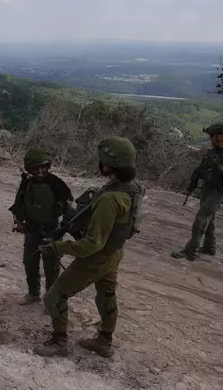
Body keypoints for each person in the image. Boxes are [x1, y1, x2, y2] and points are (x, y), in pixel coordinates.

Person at [33, 137, 145, 358]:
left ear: (108, 163)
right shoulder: (132, 189)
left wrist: (56, 247)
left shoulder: (111, 198)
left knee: (53, 297)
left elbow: (91, 245)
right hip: (114, 253)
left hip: (97, 257)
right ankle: (104, 341)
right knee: (106, 294)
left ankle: (59, 342)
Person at [9, 147, 74, 306]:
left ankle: (51, 299)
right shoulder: (26, 184)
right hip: (31, 231)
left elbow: (69, 210)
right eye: (35, 168)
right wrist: (19, 223)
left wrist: (60, 231)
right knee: (29, 264)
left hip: (52, 231)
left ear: (48, 166)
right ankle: (33, 294)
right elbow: (18, 205)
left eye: (43, 167)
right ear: (29, 169)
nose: (39, 171)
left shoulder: (56, 184)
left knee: (51, 268)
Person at [172, 122, 223, 261]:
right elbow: (202, 167)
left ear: (221, 136)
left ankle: (190, 251)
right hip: (208, 187)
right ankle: (209, 246)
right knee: (208, 219)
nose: (210, 138)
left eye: (212, 135)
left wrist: (221, 168)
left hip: (219, 190)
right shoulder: (214, 150)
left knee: (201, 219)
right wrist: (194, 180)